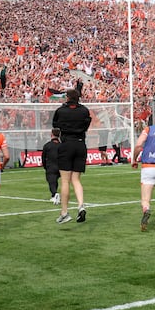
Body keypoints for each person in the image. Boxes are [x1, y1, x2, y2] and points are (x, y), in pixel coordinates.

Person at [52, 88, 92, 224]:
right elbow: (86, 125)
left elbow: (55, 127)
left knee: (65, 181)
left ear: (68, 98)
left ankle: (64, 212)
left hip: (67, 144)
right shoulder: (84, 110)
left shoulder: (61, 111)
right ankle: (81, 205)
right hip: (80, 145)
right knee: (76, 179)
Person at [41, 128, 61, 205]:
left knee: (51, 182)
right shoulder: (61, 145)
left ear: (51, 134)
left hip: (51, 166)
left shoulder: (47, 145)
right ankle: (53, 195)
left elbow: (43, 157)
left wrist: (45, 166)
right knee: (55, 181)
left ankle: (55, 194)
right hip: (60, 167)